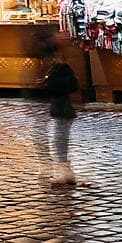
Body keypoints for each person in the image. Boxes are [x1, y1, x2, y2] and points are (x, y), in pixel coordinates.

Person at [32, 27, 81, 186]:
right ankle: (62, 170)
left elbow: (68, 84)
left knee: (59, 136)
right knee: (59, 135)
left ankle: (63, 171)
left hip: (61, 104)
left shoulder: (58, 62)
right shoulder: (59, 59)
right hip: (61, 103)